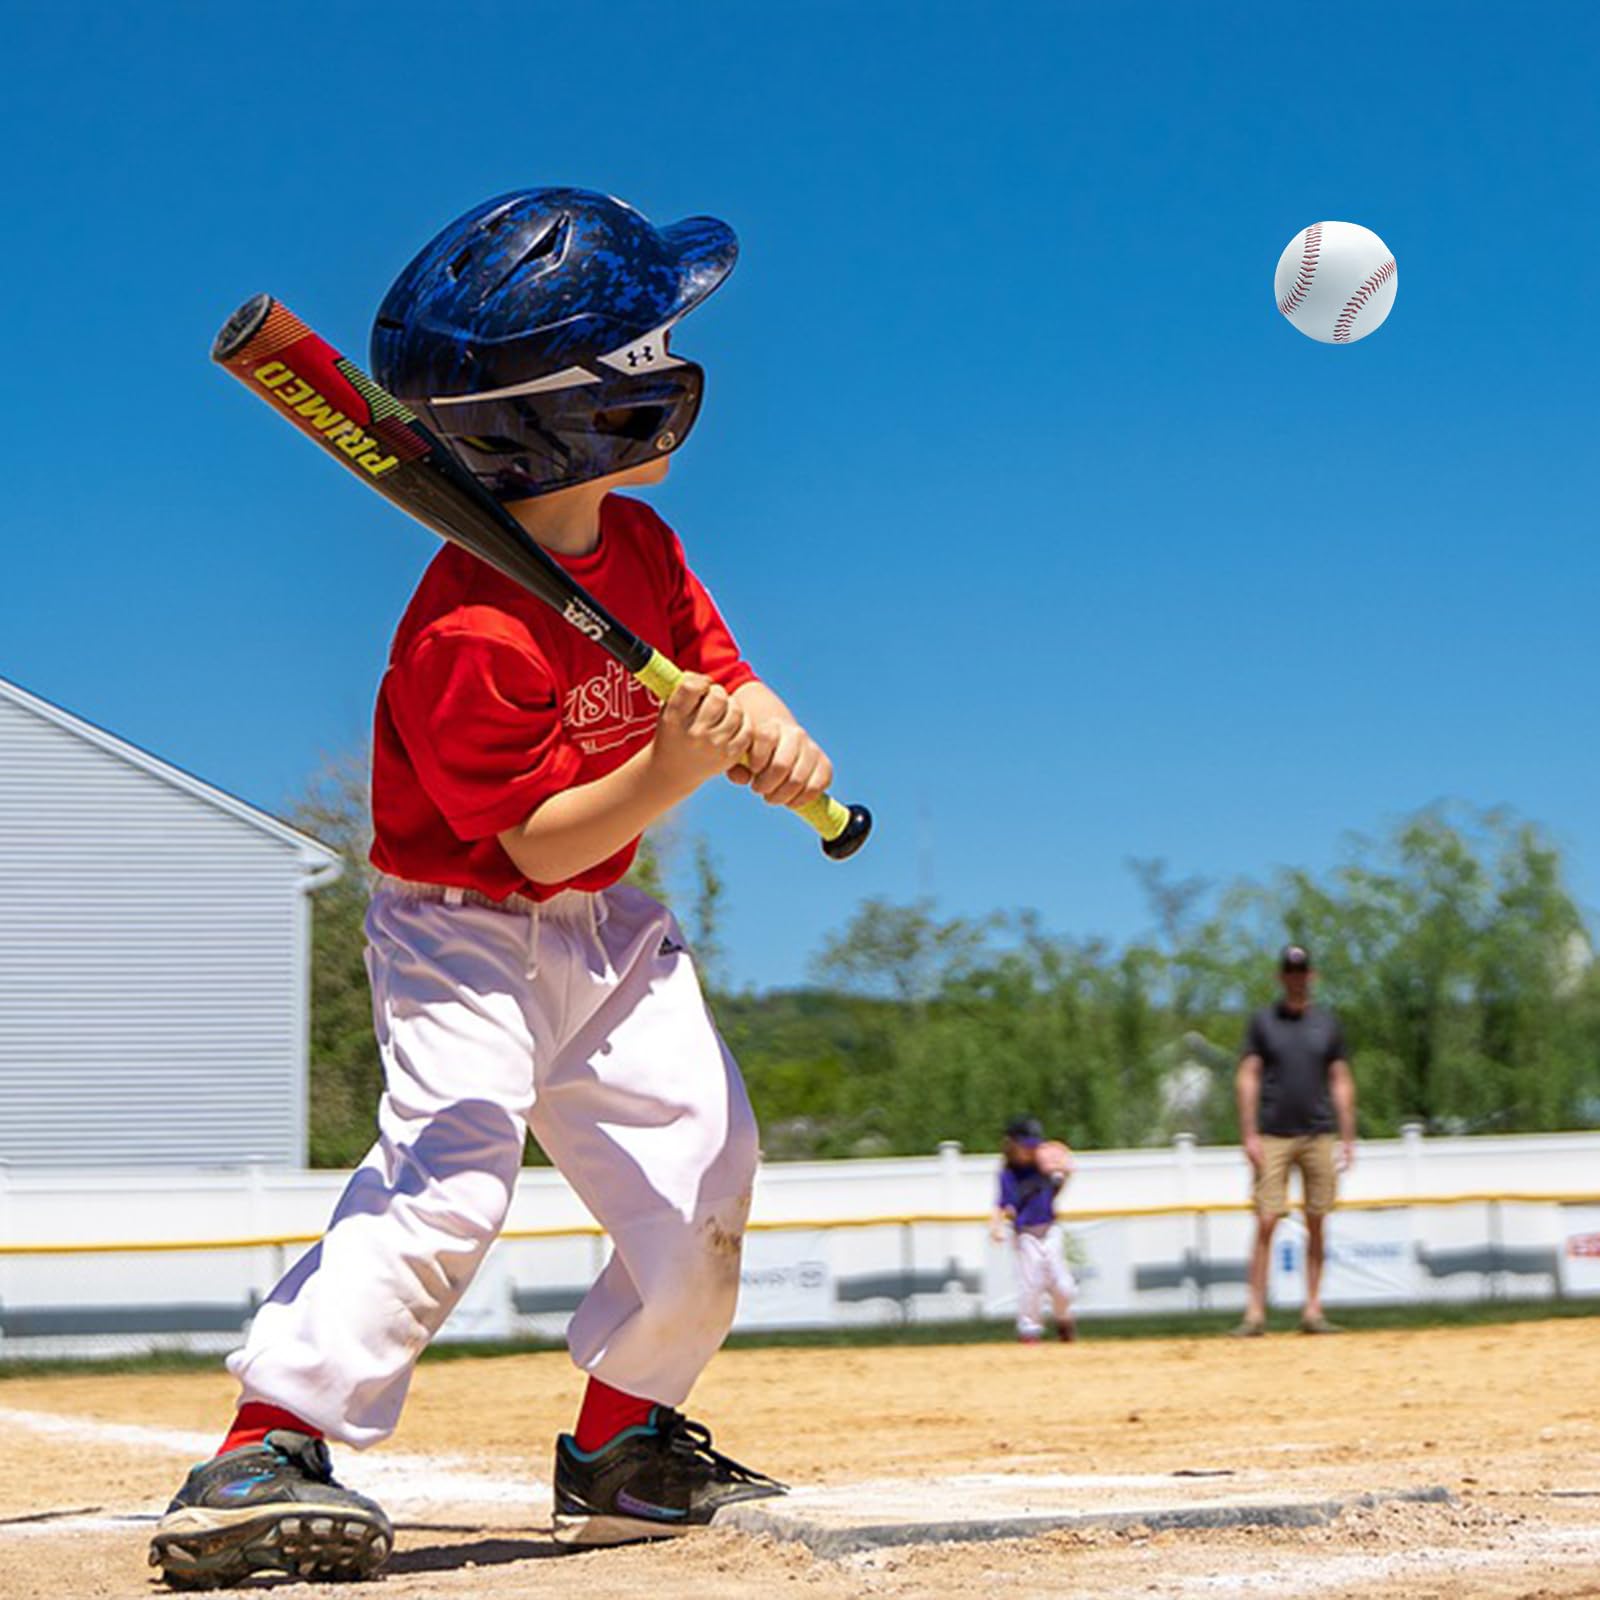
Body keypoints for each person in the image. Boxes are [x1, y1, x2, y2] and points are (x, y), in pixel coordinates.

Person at [150, 188, 833, 1588]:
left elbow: (713, 668)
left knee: (707, 1164)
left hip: (603, 932)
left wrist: (765, 723)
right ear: (577, 413)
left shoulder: (637, 550)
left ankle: (626, 1435)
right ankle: (268, 1439)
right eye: (640, 352)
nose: (668, 364)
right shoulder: (464, 624)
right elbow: (536, 842)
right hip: (460, 934)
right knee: (453, 1170)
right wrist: (676, 771)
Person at [1233, 944, 1357, 1337]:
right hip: (1272, 1134)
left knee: (1317, 1219)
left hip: (1318, 1132)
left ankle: (1313, 1309)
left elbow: (1340, 1080)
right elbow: (1248, 1075)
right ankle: (1255, 1313)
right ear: (1280, 977)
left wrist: (1348, 1135)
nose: (1296, 978)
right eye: (1289, 971)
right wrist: (1249, 1132)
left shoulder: (1327, 1024)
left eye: (1301, 971)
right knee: (1266, 1219)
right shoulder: (1264, 1022)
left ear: (1311, 976)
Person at [992, 1116, 1078, 1343]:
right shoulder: (1008, 1174)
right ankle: (1029, 1331)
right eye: (1025, 1145)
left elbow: (1058, 1185)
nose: (1030, 1150)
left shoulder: (1043, 1167)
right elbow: (1002, 1204)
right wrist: (997, 1225)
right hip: (1025, 1234)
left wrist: (1064, 1170)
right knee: (1031, 1284)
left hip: (1050, 1230)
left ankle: (1064, 1320)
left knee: (1063, 1285)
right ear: (1012, 1145)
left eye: (1033, 1145)